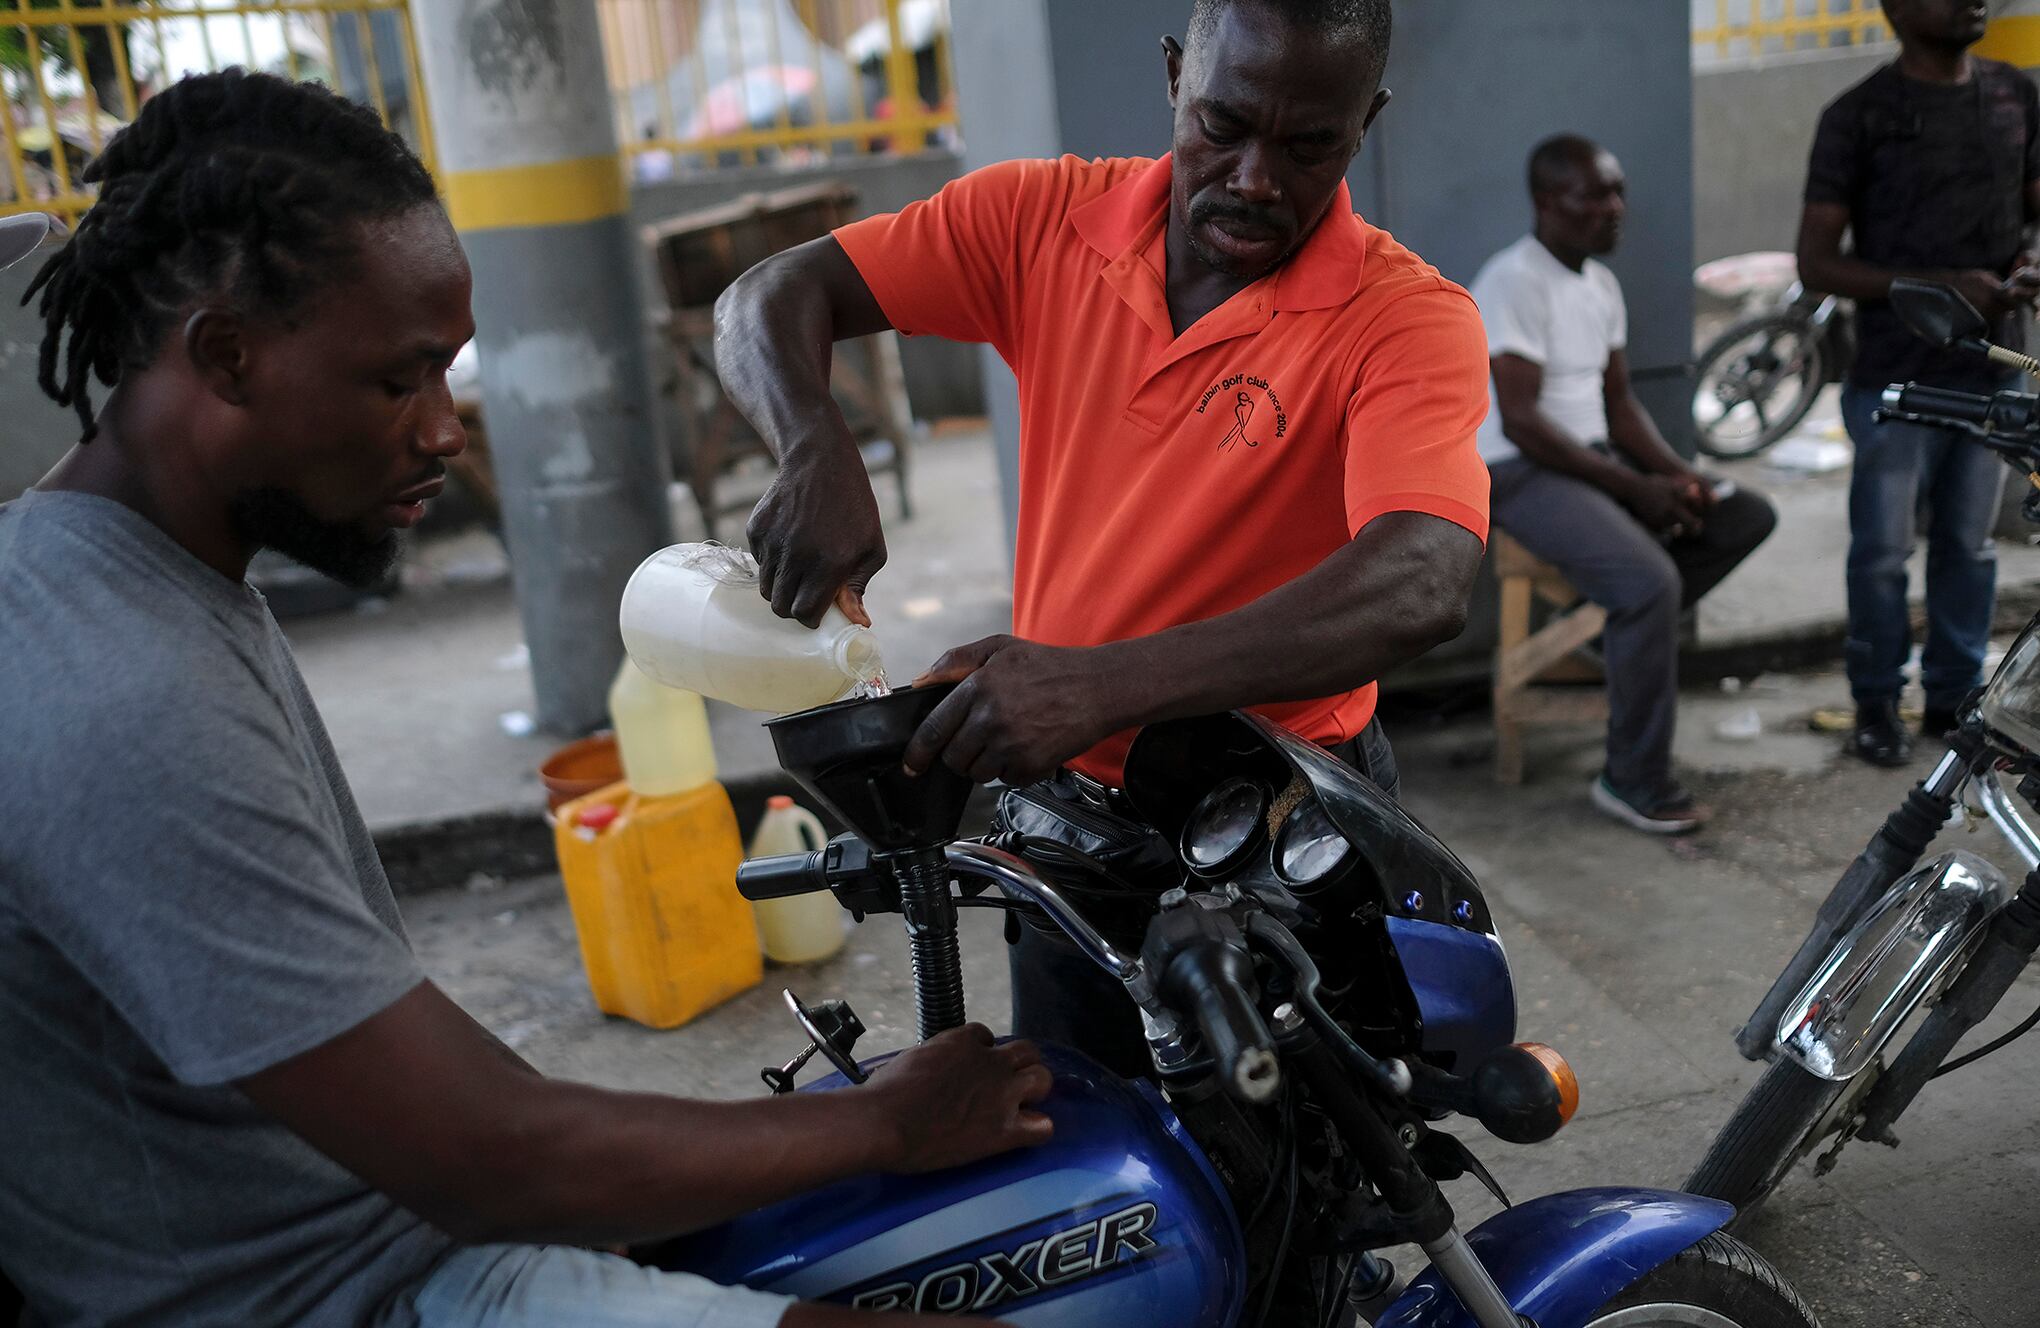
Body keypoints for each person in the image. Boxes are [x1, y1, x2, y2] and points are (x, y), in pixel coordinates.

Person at [0, 70, 1052, 1328]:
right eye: (401, 381)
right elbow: (490, 1153)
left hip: (407, 1221)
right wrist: (886, 1118)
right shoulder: (120, 691)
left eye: (447, 373)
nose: (446, 433)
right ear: (228, 354)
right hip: (342, 1292)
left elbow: (401, 1049)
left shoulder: (136, 573)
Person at [714, 0, 1492, 1076]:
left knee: (1302, 1175)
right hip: (1065, 817)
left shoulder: (1404, 318)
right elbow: (770, 294)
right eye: (1223, 125)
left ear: (1368, 120)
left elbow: (1421, 576)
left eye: (1309, 143)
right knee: (1102, 1176)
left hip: (1273, 823)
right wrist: (813, 449)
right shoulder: (1040, 222)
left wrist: (1097, 684)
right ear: (1176, 77)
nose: (1257, 177)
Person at [1471, 134, 1777, 835]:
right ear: (1548, 202)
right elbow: (1519, 422)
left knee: (1741, 515)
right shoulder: (1513, 280)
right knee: (1649, 585)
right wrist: (1633, 489)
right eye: (1595, 195)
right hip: (1520, 473)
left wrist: (1678, 475)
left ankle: (1604, 635)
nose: (1614, 209)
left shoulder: (1600, 285)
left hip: (1592, 456)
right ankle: (1633, 779)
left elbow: (1620, 407)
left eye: (1618, 192)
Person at [1798, 0, 2040, 767]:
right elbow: (1816, 262)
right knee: (1881, 551)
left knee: (1968, 548)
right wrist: (1942, 286)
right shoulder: (1857, 115)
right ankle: (1876, 701)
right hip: (1892, 377)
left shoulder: (2014, 96)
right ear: (1897, 8)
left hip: (1992, 372)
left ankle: (1952, 702)